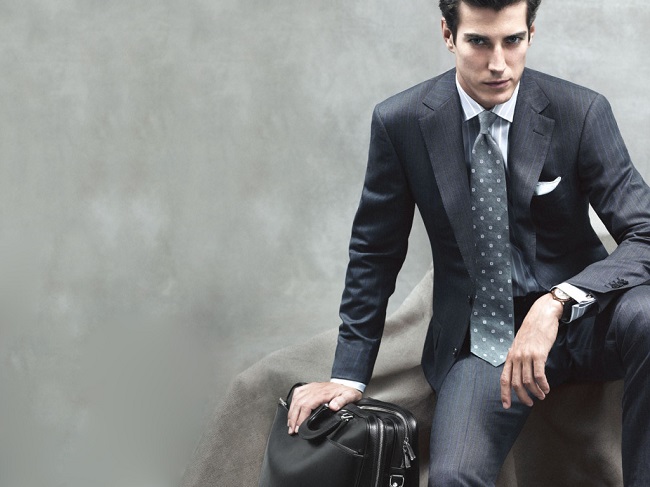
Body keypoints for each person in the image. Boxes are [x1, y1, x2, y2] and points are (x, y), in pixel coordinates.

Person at [287, 0, 650, 485]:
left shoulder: (580, 111)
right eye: (479, 41)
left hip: (584, 320)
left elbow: (645, 232)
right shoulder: (401, 122)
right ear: (448, 35)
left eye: (512, 40)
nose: (498, 63)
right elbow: (374, 254)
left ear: (531, 33)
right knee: (453, 475)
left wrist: (557, 302)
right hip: (486, 338)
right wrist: (347, 376)